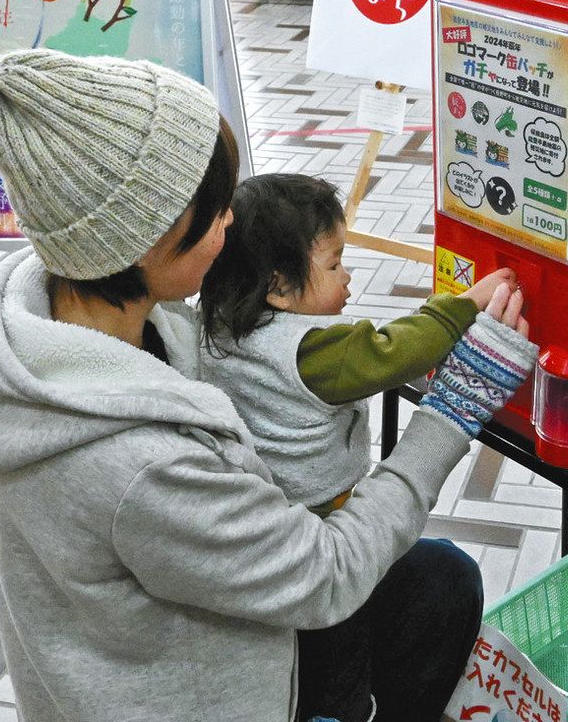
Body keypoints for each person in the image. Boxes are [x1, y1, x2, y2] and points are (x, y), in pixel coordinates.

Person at [0, 49, 538, 722]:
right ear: (143, 236)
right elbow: (324, 575)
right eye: (215, 207)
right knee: (411, 591)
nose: (230, 223)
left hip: (212, 635)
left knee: (438, 579)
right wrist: (455, 407)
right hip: (195, 696)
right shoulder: (136, 464)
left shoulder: (72, 319)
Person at [198, 173, 521, 722]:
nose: (348, 277)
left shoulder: (221, 328)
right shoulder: (309, 351)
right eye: (333, 265)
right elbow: (388, 353)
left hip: (276, 534)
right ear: (278, 285)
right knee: (336, 654)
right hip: (322, 538)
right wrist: (461, 309)